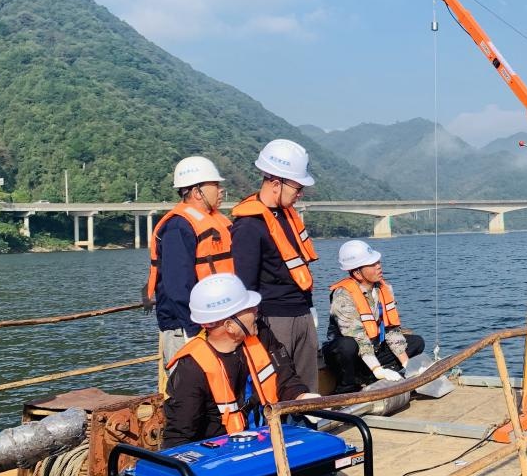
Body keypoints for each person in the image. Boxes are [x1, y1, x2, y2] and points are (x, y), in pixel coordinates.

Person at [162, 273, 316, 448]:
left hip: (269, 438)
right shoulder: (191, 368)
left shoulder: (262, 334)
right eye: (249, 309)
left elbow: (285, 377)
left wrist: (301, 395)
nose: (257, 311)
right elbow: (179, 435)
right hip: (225, 456)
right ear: (229, 326)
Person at [231, 139, 321, 392]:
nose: (300, 193)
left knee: (308, 388)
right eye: (297, 187)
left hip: (301, 312)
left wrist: (310, 309)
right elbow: (244, 284)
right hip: (274, 319)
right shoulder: (249, 226)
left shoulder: (287, 217)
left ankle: (308, 426)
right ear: (275, 183)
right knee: (280, 387)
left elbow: (299, 267)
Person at [145, 156, 233, 366]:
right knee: (189, 394)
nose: (221, 190)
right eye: (216, 185)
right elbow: (177, 286)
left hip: (215, 325)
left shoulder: (215, 220)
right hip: (186, 328)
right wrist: (195, 331)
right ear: (197, 192)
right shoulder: (178, 227)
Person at [322, 240, 425, 394]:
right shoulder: (343, 295)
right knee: (347, 345)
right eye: (372, 264)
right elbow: (358, 337)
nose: (378, 266)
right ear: (357, 273)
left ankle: (372, 377)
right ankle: (347, 387)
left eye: (377, 261)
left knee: (416, 342)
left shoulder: (385, 289)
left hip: (373, 348)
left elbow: (392, 330)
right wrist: (377, 369)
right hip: (349, 353)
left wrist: (407, 365)